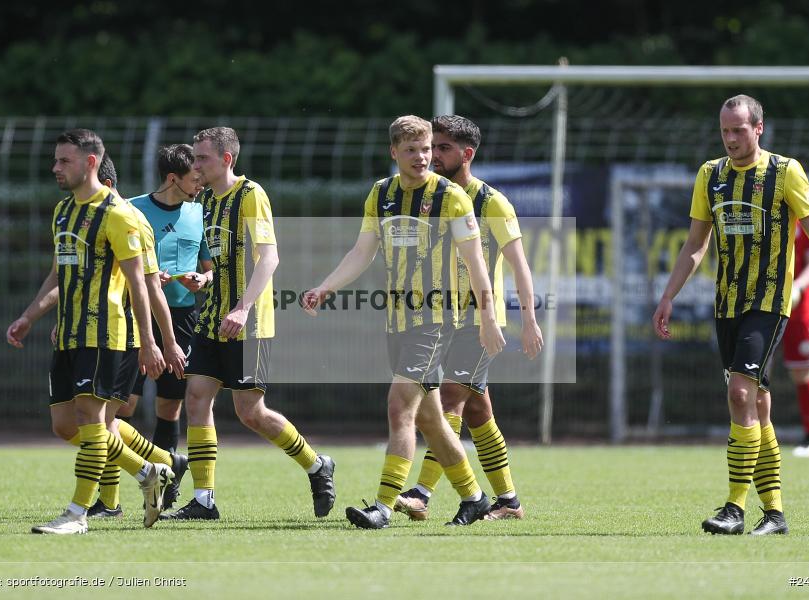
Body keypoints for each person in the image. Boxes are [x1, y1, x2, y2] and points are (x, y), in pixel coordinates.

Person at [303, 115, 505, 529]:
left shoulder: (451, 197)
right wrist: (325, 287)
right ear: (394, 152)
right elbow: (363, 251)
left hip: (435, 321)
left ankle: (383, 505)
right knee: (430, 419)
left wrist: (487, 317)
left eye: (428, 148)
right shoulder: (381, 194)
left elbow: (477, 264)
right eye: (412, 150)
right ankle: (475, 497)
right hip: (397, 320)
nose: (422, 156)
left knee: (399, 407)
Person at [652, 95, 809, 536]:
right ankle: (774, 514)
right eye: (725, 131)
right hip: (727, 305)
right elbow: (696, 245)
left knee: (738, 394)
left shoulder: (785, 172)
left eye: (739, 130)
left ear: (758, 129)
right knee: (757, 405)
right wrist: (668, 296)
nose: (731, 138)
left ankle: (734, 508)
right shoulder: (710, 175)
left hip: (770, 303)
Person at [163, 127, 335, 521]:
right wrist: (201, 279)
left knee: (250, 412)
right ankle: (204, 500)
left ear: (226, 159)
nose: (196, 165)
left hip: (250, 322)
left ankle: (316, 464)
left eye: (202, 158)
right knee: (196, 398)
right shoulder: (204, 199)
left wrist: (241, 309)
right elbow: (213, 262)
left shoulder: (250, 195)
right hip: (211, 319)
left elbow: (269, 258)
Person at [6, 129, 172, 534]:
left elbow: (139, 283)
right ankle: (150, 471)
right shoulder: (63, 211)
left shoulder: (118, 214)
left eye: (64, 161)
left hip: (106, 334)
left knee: (92, 419)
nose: (55, 168)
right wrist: (30, 316)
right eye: (56, 160)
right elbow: (58, 273)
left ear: (91, 162)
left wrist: (150, 342)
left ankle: (77, 514)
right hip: (68, 334)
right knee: (65, 426)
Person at [393, 115, 543, 522]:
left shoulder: (490, 201)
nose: (433, 155)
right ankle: (509, 502)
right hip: (440, 319)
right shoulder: (429, 198)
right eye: (431, 147)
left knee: (446, 401)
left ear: (467, 154)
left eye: (442, 148)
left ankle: (420, 493)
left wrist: (529, 318)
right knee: (477, 412)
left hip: (480, 323)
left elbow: (519, 264)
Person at [39, 153, 191, 521]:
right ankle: (161, 463)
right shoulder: (71, 214)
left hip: (116, 333)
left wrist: (161, 342)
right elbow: (67, 274)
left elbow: (150, 287)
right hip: (81, 331)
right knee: (74, 424)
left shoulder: (128, 218)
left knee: (100, 419)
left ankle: (105, 502)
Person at [117, 145, 211, 505]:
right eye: (194, 179)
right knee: (121, 406)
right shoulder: (133, 210)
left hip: (181, 318)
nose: (200, 185)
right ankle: (157, 467)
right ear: (174, 179)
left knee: (170, 407)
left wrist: (203, 281)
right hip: (136, 315)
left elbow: (209, 268)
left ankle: (166, 485)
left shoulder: (198, 212)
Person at [782, 222, 809, 457]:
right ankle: (752, 437)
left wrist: (797, 286)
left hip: (799, 310)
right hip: (762, 306)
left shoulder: (805, 219)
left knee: (803, 373)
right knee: (752, 374)